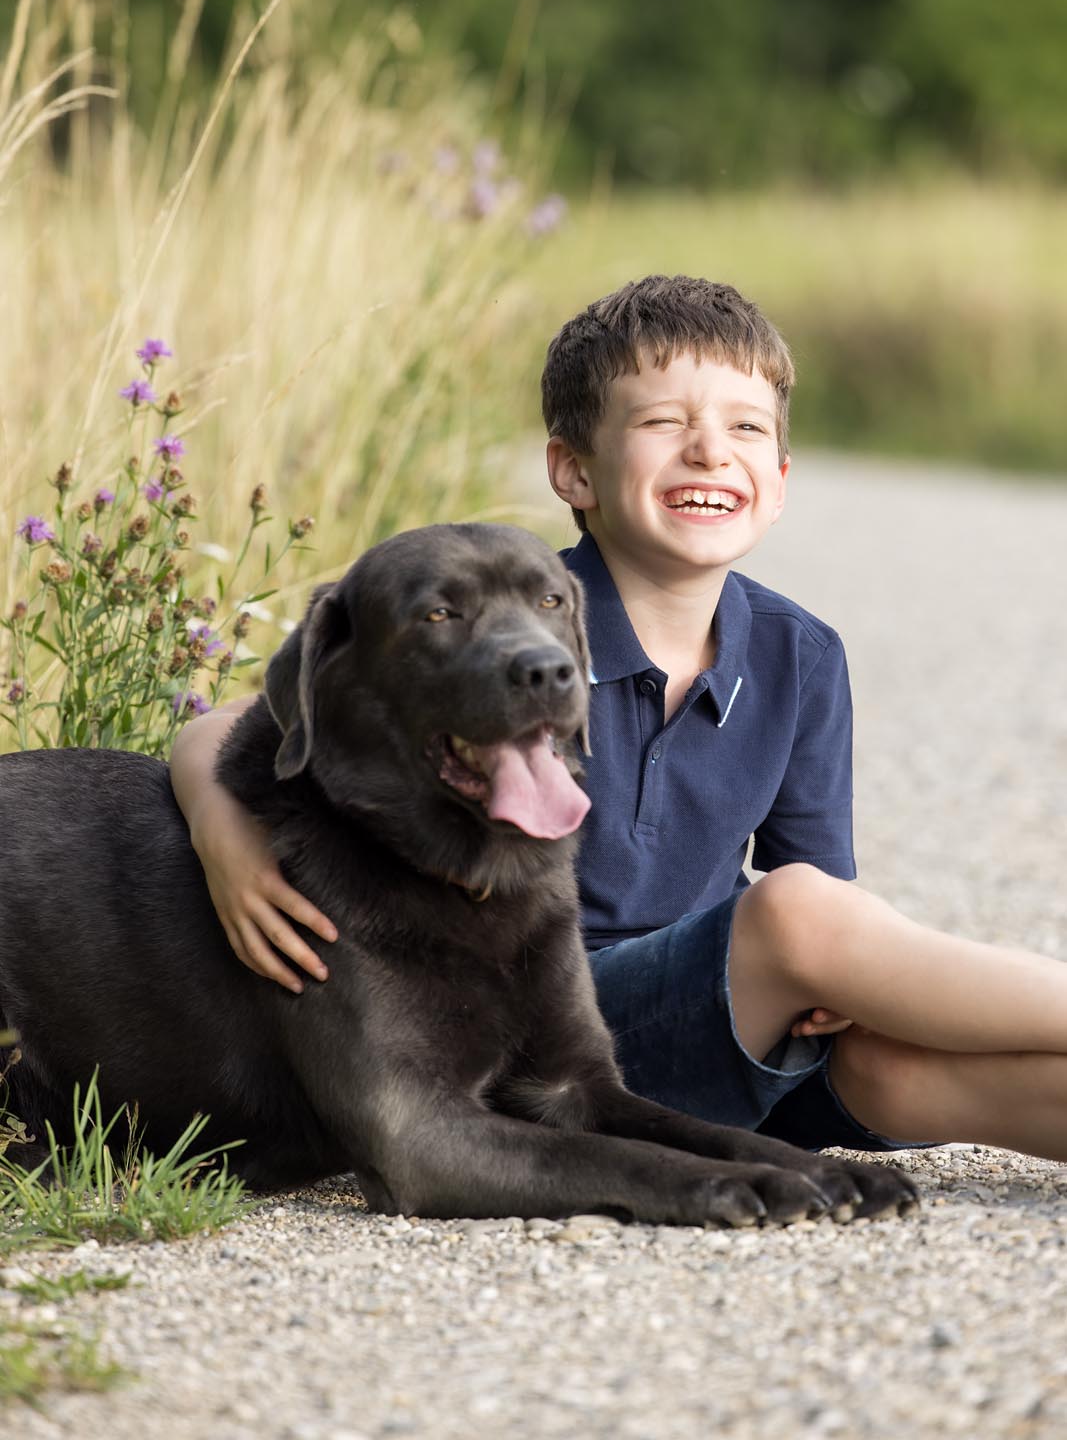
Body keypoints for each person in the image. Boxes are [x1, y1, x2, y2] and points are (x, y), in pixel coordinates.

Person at [172, 274, 1067, 1162]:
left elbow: (826, 890)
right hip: (545, 1028)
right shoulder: (517, 630)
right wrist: (223, 834)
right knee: (792, 914)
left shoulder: (799, 653)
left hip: (717, 1024)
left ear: (779, 480)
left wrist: (837, 989)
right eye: (663, 423)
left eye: (745, 428)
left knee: (886, 1067)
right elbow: (231, 723)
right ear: (574, 470)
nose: (709, 452)